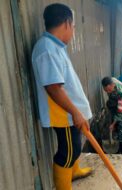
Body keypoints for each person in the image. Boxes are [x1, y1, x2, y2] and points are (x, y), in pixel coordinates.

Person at [32, 4, 92, 190]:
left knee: (74, 147)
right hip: (63, 114)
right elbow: (54, 88)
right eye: (73, 27)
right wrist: (75, 113)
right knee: (68, 151)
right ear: (67, 23)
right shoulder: (47, 49)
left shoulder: (54, 46)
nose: (73, 32)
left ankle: (74, 171)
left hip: (69, 112)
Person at [102, 77, 122, 154]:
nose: (108, 92)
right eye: (106, 90)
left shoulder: (121, 93)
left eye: (109, 90)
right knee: (109, 104)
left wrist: (113, 124)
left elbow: (120, 111)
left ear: (113, 85)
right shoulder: (110, 82)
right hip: (118, 100)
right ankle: (115, 128)